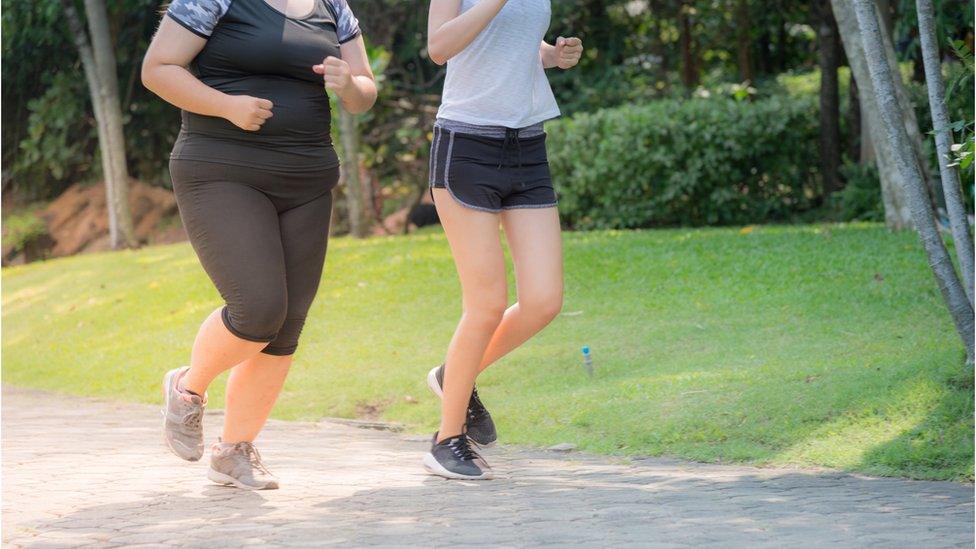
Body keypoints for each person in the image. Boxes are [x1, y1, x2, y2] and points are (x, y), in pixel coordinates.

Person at [142, 0, 376, 490]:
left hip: (307, 178)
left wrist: (348, 84)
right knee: (258, 309)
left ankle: (234, 451)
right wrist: (226, 105)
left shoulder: (334, 7)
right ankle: (187, 389)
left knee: (287, 324)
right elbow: (158, 69)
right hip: (222, 169)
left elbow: (363, 93)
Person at [423, 0, 583, 480]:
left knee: (543, 301)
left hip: (527, 147)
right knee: (486, 303)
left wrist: (550, 55)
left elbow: (505, 43)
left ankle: (454, 375)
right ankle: (446, 440)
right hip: (466, 147)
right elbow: (440, 47)